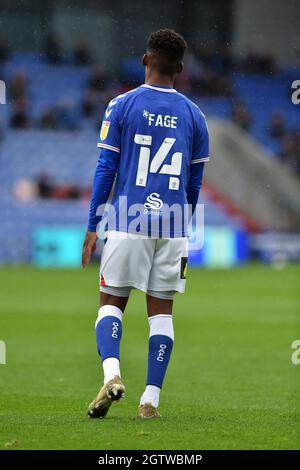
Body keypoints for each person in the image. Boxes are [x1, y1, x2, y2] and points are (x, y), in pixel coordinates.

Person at [82, 28, 209, 419]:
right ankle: (150, 400)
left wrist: (92, 225)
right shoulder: (194, 115)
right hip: (171, 226)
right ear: (181, 69)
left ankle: (113, 375)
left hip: (127, 219)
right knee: (162, 314)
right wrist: (181, 229)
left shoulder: (121, 105)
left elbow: (106, 169)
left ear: (144, 60)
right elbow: (193, 184)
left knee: (111, 304)